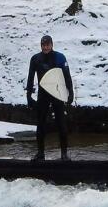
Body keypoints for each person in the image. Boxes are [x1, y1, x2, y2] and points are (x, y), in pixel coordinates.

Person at [25, 34, 74, 162]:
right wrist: (28, 95)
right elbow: (30, 77)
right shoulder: (35, 59)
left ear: (52, 45)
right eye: (43, 45)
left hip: (57, 93)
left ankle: (64, 154)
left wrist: (70, 92)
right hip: (43, 93)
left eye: (48, 44)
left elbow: (67, 76)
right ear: (41, 46)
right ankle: (40, 153)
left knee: (61, 123)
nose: (46, 47)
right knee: (40, 123)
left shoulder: (59, 57)